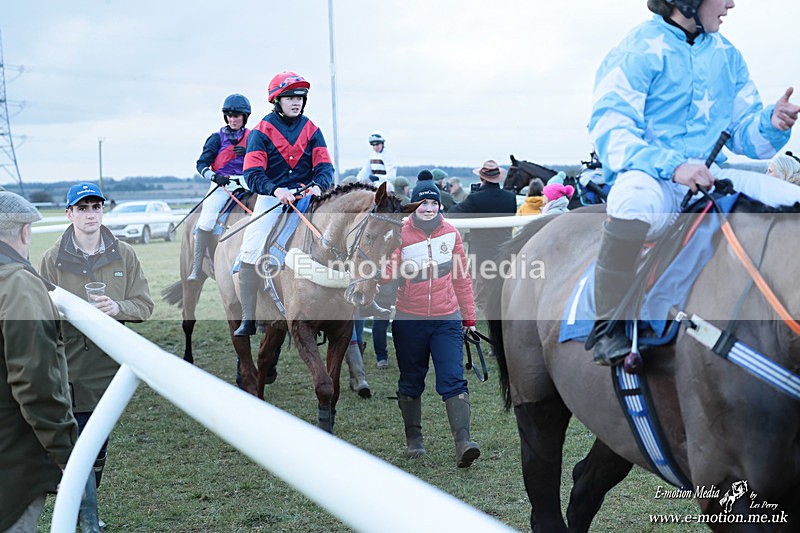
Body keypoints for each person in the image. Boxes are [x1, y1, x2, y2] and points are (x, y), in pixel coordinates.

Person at [587, 0, 800, 366]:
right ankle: (610, 327)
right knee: (630, 203)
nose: (731, 4)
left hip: (708, 175)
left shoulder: (727, 54)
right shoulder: (637, 48)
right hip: (650, 176)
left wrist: (771, 122)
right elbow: (610, 127)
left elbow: (746, 135)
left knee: (792, 199)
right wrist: (673, 166)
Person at [39, 182, 154, 530]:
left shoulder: (125, 254)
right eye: (83, 208)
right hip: (69, 367)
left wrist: (117, 306)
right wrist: (66, 313)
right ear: (69, 213)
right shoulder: (51, 259)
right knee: (79, 445)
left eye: (96, 207)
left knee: (97, 447)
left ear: (102, 211)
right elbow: (38, 312)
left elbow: (145, 306)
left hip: (112, 371)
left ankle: (81, 503)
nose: (90, 214)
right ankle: (87, 518)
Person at [381, 179, 481, 468]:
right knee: (411, 380)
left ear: (439, 205)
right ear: (414, 205)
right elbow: (387, 275)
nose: (428, 208)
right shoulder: (399, 232)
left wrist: (469, 317)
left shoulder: (450, 232)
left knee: (452, 378)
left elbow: (462, 277)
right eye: (422, 203)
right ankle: (414, 440)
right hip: (409, 319)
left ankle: (463, 443)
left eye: (433, 203)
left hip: (446, 318)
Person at [1, 192, 78, 533]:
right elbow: (35, 381)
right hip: (12, 462)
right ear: (24, 233)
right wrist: (65, 452)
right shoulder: (17, 283)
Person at [234, 71, 333, 337]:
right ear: (276, 100)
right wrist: (275, 190)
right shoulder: (260, 131)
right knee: (251, 247)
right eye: (290, 96)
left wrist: (318, 185)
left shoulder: (312, 129)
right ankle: (248, 317)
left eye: (300, 97)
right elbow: (252, 174)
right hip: (272, 198)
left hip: (307, 197)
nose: (296, 101)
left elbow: (325, 167)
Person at [189, 93, 252, 280]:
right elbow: (201, 164)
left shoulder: (253, 137)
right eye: (230, 115)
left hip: (247, 182)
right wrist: (215, 177)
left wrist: (248, 152)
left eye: (237, 115)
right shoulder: (216, 138)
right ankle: (197, 266)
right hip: (222, 185)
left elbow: (266, 159)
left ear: (244, 117)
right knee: (207, 220)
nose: (233, 119)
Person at [447, 161, 517, 316]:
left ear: (482, 178)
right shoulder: (510, 198)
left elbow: (453, 212)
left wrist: (474, 195)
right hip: (505, 252)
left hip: (482, 255)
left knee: (481, 296)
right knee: (502, 293)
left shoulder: (475, 199)